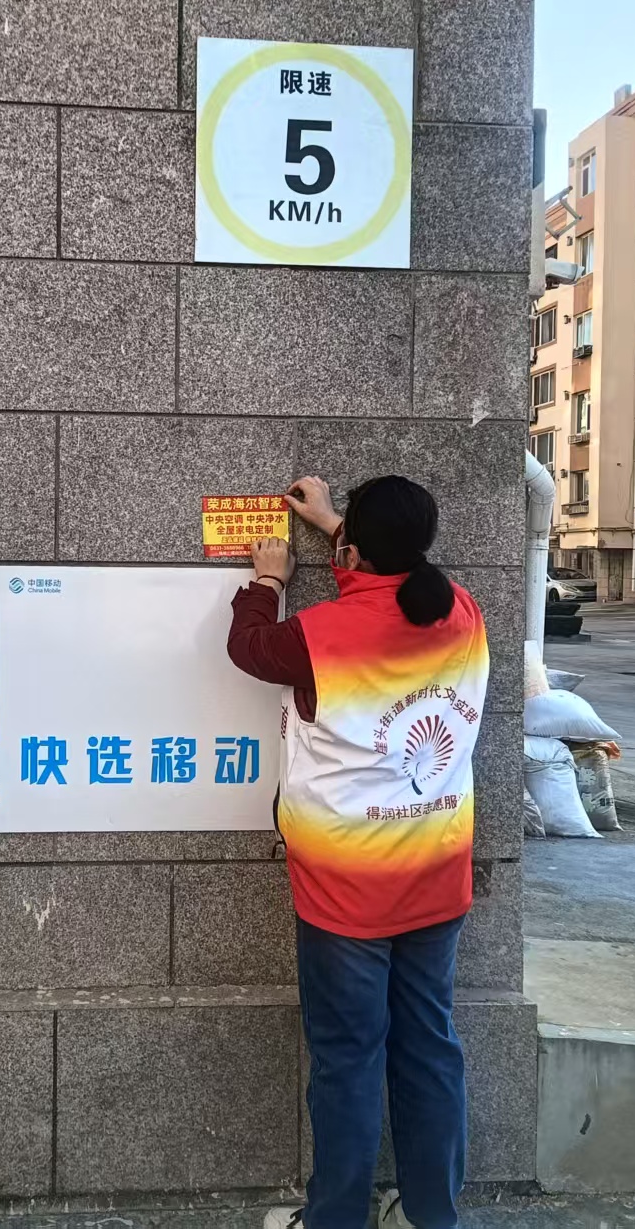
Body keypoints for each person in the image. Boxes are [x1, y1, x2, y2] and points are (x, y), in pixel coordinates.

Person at [227, 475, 488, 1229]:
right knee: (429, 1045)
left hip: (346, 899)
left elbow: (249, 647)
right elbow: (396, 584)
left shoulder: (322, 635)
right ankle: (429, 1215)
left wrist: (268, 580)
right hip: (436, 879)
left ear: (356, 552)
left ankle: (336, 1218)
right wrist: (339, 524)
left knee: (347, 1057)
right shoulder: (462, 611)